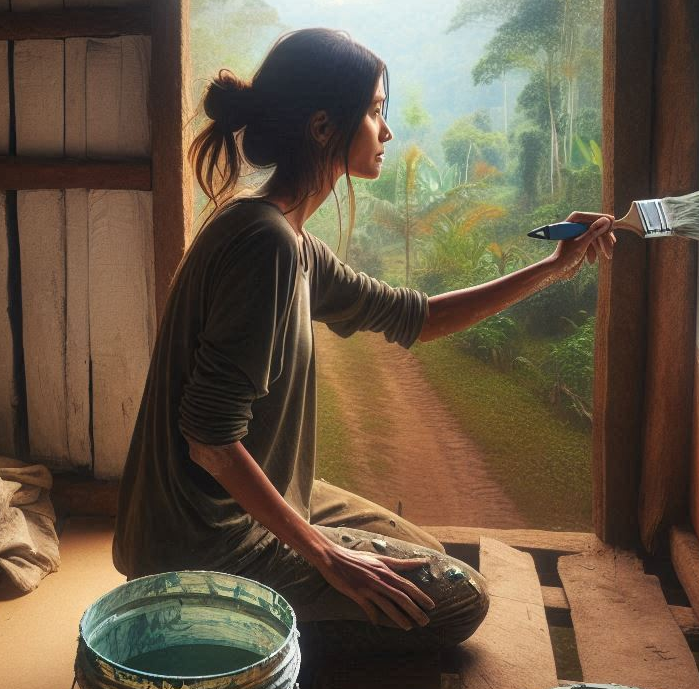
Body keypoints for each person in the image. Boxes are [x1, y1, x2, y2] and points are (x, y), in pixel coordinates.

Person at [112, 27, 616, 652]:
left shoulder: (292, 242)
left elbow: (420, 318)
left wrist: (554, 267)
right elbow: (210, 440)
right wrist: (327, 556)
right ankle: (245, 642)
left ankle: (292, 615)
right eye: (377, 112)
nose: (388, 130)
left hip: (237, 512)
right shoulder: (264, 245)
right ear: (323, 127)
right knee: (459, 601)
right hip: (203, 545)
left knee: (428, 560)